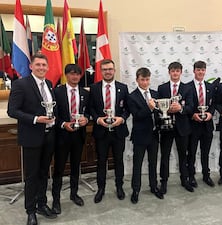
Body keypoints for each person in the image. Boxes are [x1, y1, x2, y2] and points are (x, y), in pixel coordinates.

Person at [7, 53, 57, 225]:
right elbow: (12, 111)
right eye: (38, 65)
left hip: (49, 136)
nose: (42, 68)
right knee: (32, 176)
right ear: (31, 66)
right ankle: (30, 211)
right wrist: (36, 119)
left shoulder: (49, 84)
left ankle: (42, 204)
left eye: (44, 65)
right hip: (31, 137)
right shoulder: (21, 84)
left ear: (48, 67)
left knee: (44, 173)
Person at [89, 59, 129, 203]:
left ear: (114, 70)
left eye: (110, 69)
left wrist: (122, 119)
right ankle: (101, 189)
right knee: (101, 161)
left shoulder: (123, 88)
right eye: (105, 69)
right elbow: (90, 108)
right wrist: (98, 119)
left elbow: (127, 109)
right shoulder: (94, 88)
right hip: (101, 131)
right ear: (101, 71)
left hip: (118, 131)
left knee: (119, 160)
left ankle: (119, 187)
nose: (108, 72)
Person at [51, 64, 90, 214]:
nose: (75, 77)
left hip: (79, 136)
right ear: (66, 75)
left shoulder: (85, 93)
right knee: (59, 169)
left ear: (80, 76)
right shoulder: (57, 92)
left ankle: (74, 194)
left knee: (75, 166)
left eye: (77, 74)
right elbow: (53, 114)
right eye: (71, 74)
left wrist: (86, 119)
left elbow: (88, 112)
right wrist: (63, 124)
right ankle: (56, 199)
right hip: (62, 136)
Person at [127, 67, 164, 204]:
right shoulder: (132, 96)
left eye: (147, 79)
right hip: (140, 135)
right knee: (137, 164)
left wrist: (163, 117)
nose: (145, 82)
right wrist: (149, 107)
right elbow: (137, 115)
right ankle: (135, 189)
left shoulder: (155, 93)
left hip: (154, 134)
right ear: (137, 80)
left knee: (153, 163)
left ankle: (154, 186)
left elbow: (159, 112)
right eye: (142, 79)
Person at [158, 61, 194, 194]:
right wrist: (166, 110)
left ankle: (185, 180)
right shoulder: (162, 88)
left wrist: (181, 108)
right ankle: (164, 182)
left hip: (182, 127)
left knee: (183, 155)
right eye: (172, 71)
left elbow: (191, 107)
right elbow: (158, 108)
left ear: (181, 72)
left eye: (177, 71)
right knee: (165, 156)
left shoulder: (187, 88)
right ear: (169, 72)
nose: (175, 73)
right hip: (166, 127)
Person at [186, 61, 215, 188]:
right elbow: (185, 104)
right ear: (194, 71)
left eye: (203, 70)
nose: (200, 72)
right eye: (198, 69)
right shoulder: (187, 87)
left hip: (207, 124)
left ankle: (206, 175)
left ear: (205, 71)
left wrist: (210, 113)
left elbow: (214, 103)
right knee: (191, 152)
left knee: (205, 152)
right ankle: (191, 176)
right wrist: (192, 115)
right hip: (193, 124)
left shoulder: (210, 86)